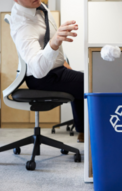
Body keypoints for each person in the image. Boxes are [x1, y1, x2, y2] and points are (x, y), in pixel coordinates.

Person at [11, 0, 84, 142]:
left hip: (55, 69)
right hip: (42, 77)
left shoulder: (40, 6)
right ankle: (101, 134)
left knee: (82, 81)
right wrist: (55, 42)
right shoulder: (23, 25)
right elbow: (39, 70)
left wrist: (63, 62)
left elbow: (46, 39)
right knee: (89, 84)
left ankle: (83, 131)